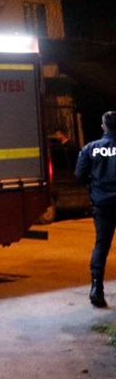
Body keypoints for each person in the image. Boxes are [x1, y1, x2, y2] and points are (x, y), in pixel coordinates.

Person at [75, 111, 116, 308]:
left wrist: (94, 187)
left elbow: (79, 175)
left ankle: (96, 289)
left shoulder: (90, 148)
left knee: (101, 245)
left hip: (102, 204)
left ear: (103, 127)